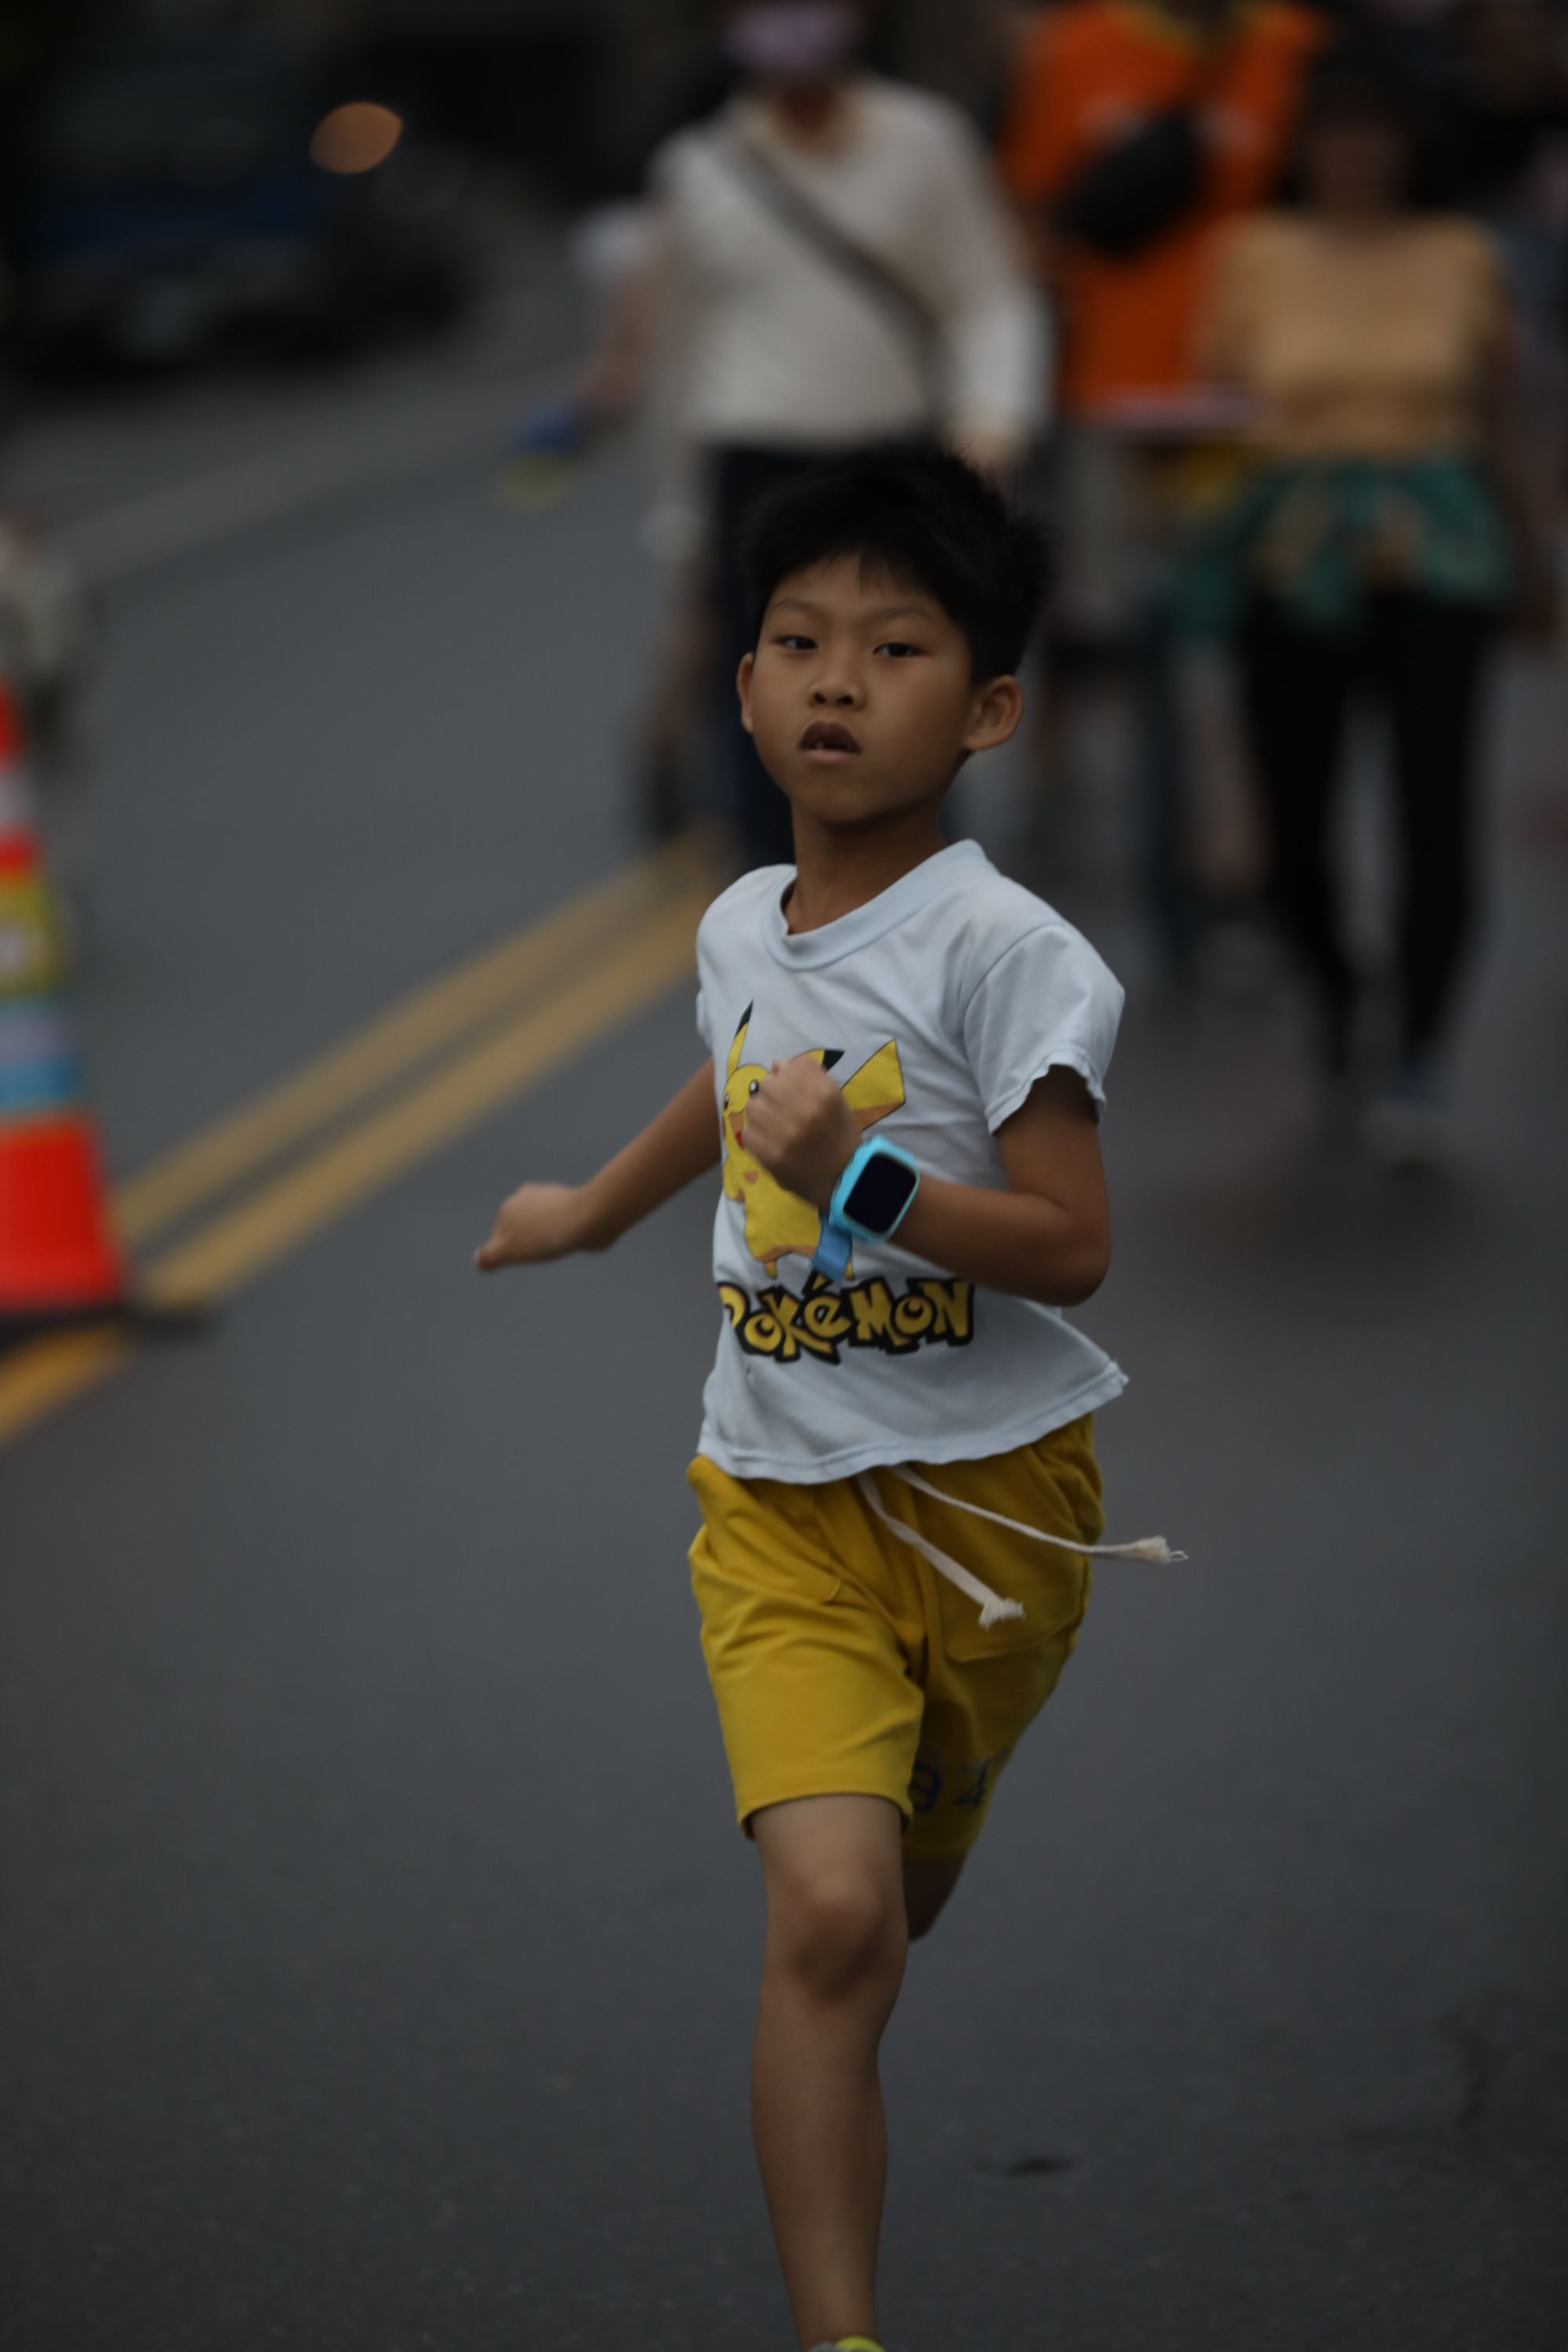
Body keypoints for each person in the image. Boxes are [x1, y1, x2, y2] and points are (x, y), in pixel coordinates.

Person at [476, 448, 1167, 2350]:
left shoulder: (1007, 955)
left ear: (990, 709)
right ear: (741, 680)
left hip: (996, 1515)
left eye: (894, 646)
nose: (835, 680)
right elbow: (731, 1074)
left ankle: (930, 1802)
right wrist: (590, 1212)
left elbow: (1070, 1244)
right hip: (776, 1502)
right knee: (836, 1922)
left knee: (892, 1900)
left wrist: (857, 1180)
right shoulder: (741, 918)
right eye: (797, 641)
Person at [516, 2, 1046, 866]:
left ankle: (919, 924)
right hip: (755, 470)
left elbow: (990, 298)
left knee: (909, 707)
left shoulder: (925, 142)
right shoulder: (700, 168)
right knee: (775, 727)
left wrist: (990, 427)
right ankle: (778, 928)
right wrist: (682, 521)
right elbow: (679, 363)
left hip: (890, 464)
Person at [1192, 35, 1548, 1163]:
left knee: (1433, 807)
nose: (1354, 155)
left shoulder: (1461, 255)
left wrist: (1531, 560)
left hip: (1434, 552)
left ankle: (1423, 1046)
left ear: (1406, 145)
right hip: (1290, 551)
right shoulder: (1251, 253)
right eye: (1334, 133)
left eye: (1373, 133)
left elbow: (1499, 418)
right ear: (1304, 147)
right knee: (1291, 818)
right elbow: (1212, 410)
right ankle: (1336, 986)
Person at [996, 0, 1324, 960]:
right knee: (1148, 646)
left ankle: (1249, 869)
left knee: (1258, 651)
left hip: (1271, 411)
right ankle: (1187, 873)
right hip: (1120, 411)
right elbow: (1027, 215)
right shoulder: (1075, 52)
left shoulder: (1295, 49)